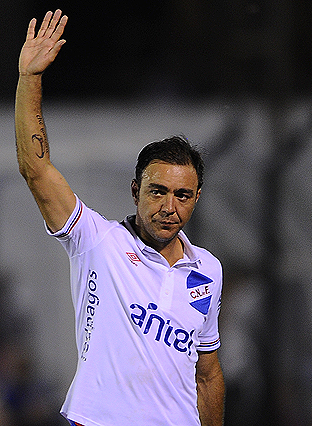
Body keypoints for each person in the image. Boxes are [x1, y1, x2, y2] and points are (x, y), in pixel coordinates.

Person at [15, 10, 225, 426]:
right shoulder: (97, 240)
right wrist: (29, 78)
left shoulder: (208, 270)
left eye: (182, 195)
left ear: (196, 198)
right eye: (157, 191)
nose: (169, 207)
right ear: (135, 191)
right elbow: (35, 169)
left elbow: (207, 374)